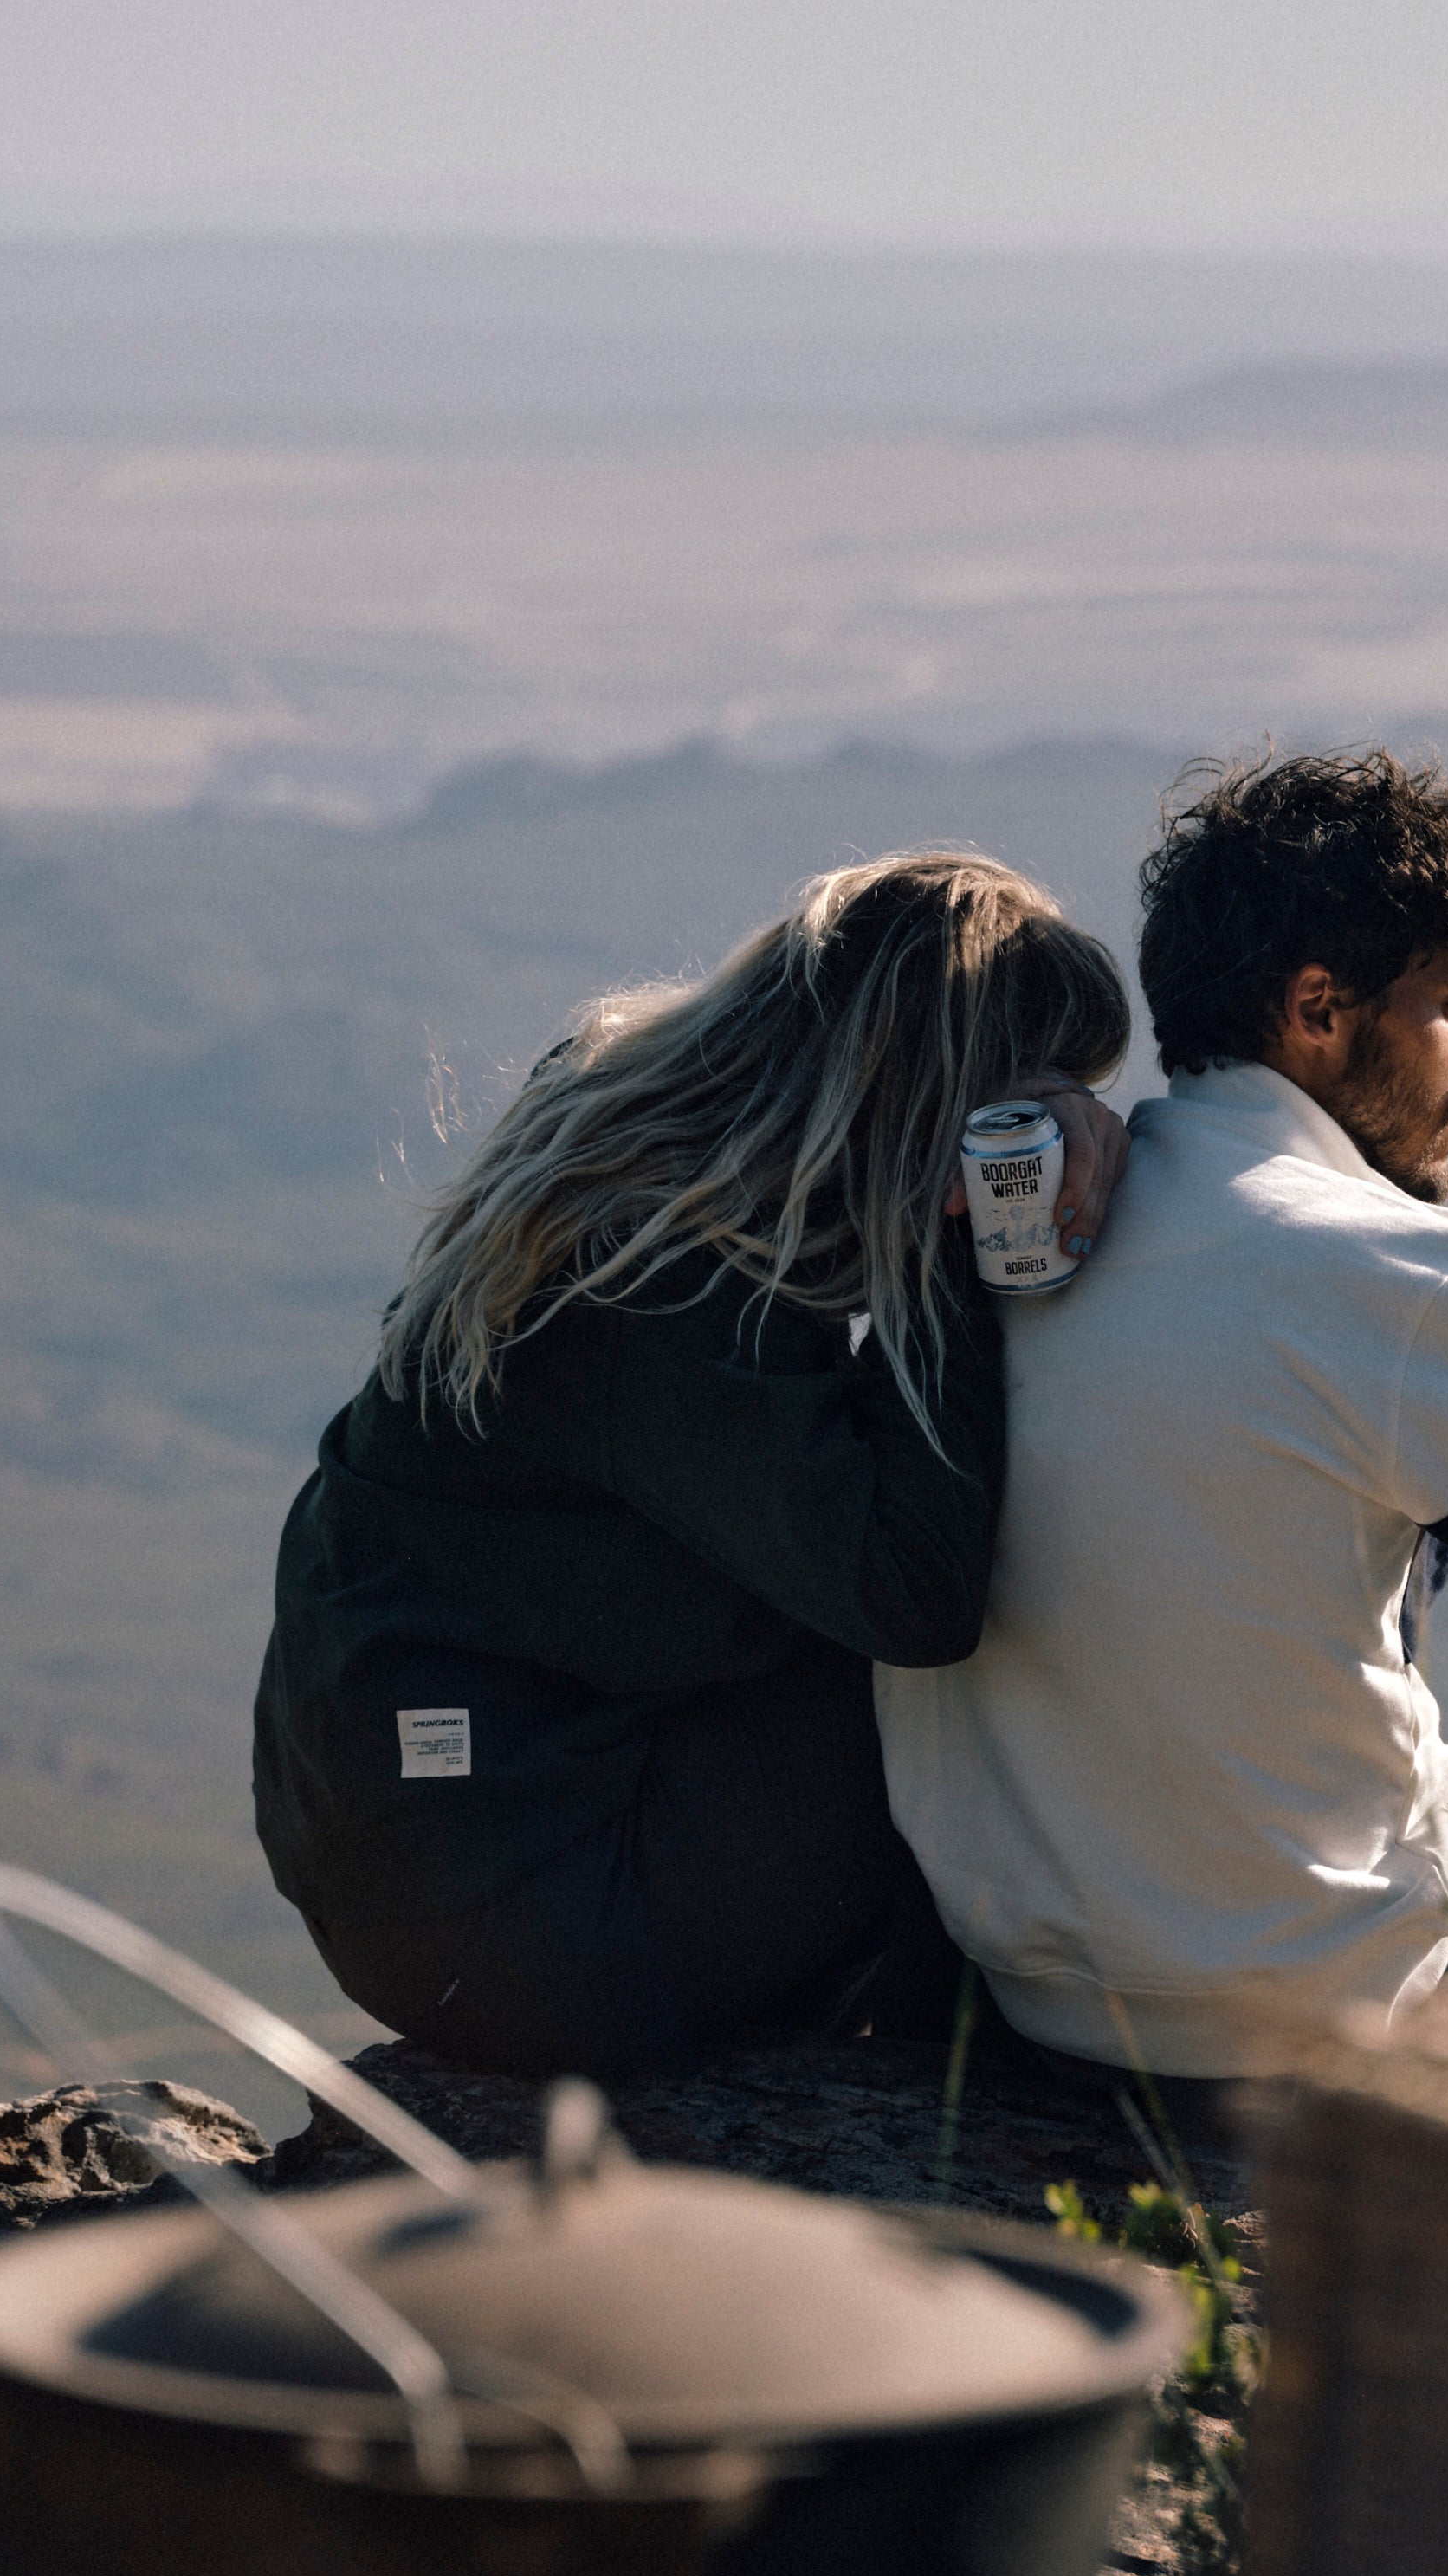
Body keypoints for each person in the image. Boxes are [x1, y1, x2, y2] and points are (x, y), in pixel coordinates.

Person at [877, 750, 1448, 2077]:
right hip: (1318, 1996)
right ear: (1317, 1007)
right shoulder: (1400, 1277)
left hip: (1032, 1994)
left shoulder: (1011, 1218)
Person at [253, 851, 1131, 2078]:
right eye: (1020, 1118)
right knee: (983, 1680)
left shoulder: (641, 1170)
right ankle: (1006, 2097)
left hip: (429, 1850)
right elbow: (911, 1598)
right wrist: (969, 1257)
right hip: (516, 1908)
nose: (1043, 1146)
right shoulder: (663, 1283)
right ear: (935, 1109)